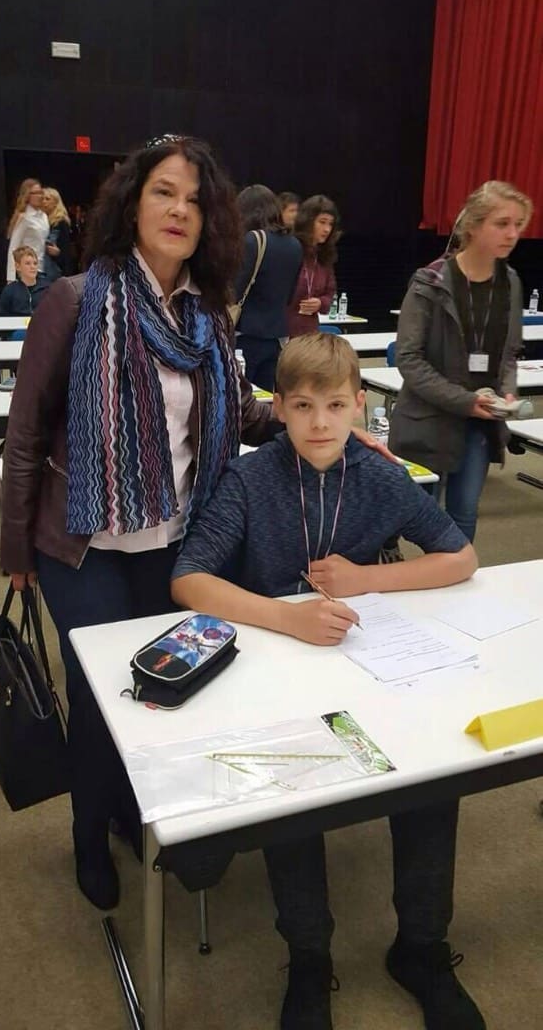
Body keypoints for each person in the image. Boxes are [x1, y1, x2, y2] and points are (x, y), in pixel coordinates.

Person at [0, 134, 283, 911]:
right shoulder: (73, 300)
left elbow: (240, 412)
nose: (179, 209)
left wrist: (316, 424)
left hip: (175, 545)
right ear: (133, 205)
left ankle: (129, 807)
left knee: (160, 694)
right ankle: (88, 833)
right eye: (164, 192)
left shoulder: (207, 316)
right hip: (82, 546)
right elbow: (24, 437)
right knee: (100, 705)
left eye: (194, 200)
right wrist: (16, 550)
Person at [172, 333, 483, 1030]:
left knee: (435, 771)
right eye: (304, 406)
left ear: (359, 406)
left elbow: (459, 557)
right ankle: (309, 955)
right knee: (292, 785)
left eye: (336, 405)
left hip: (369, 659)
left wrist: (368, 578)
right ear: (279, 407)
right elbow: (189, 579)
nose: (320, 422)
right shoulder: (250, 479)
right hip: (280, 666)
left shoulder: (379, 475)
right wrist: (287, 618)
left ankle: (421, 947)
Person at [389, 180, 532, 541]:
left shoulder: (510, 282)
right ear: (473, 225)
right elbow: (409, 359)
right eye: (502, 223)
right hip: (429, 419)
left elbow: (510, 352)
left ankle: (455, 571)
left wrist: (507, 394)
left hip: (480, 424)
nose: (512, 234)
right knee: (413, 515)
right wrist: (465, 401)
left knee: (464, 514)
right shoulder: (430, 282)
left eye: (518, 224)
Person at [234, 185, 302, 391]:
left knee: (239, 395)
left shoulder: (252, 240)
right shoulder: (295, 245)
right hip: (277, 334)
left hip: (246, 333)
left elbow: (234, 291)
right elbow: (290, 295)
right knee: (264, 397)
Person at [288, 195, 341, 337]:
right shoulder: (290, 250)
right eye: (322, 222)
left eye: (330, 224)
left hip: (310, 332)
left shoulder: (324, 256)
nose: (327, 229)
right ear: (307, 221)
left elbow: (330, 293)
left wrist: (320, 303)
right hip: (283, 330)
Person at [6, 178, 49, 282]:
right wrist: (11, 278)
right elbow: (13, 247)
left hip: (43, 269)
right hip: (27, 271)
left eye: (40, 192)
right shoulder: (24, 218)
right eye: (35, 193)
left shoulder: (44, 216)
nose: (40, 196)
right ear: (28, 195)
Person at [0, 246, 50, 316]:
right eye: (28, 263)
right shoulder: (9, 291)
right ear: (18, 266)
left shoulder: (47, 288)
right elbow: (2, 317)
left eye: (35, 263)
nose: (33, 267)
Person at [42, 187, 73, 280]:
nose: (44, 202)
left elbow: (66, 251)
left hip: (55, 271)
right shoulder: (42, 221)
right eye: (42, 199)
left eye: (47, 199)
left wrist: (58, 254)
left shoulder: (60, 222)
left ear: (55, 202)